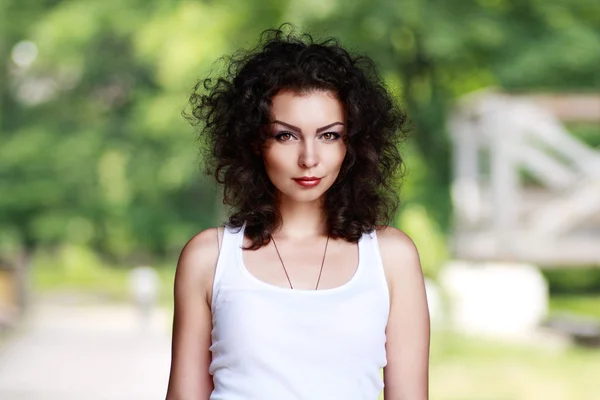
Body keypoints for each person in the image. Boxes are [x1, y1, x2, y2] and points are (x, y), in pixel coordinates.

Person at [166, 25, 430, 400]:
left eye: (329, 135)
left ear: (352, 144)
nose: (309, 159)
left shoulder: (392, 258)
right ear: (254, 141)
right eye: (285, 135)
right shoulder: (209, 258)